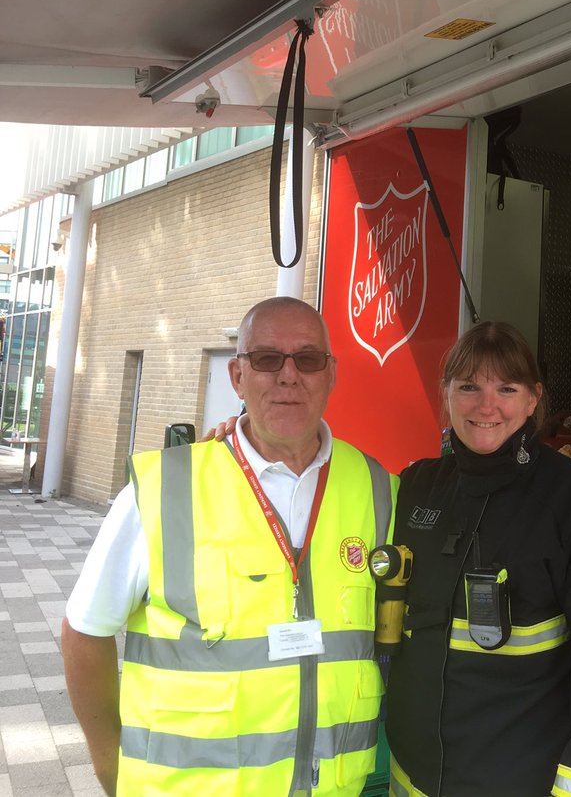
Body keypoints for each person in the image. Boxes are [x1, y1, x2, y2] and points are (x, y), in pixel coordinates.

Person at [61, 297, 397, 796]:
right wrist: (111, 767)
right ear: (238, 376)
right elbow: (84, 634)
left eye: (307, 359)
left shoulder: (381, 489)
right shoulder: (163, 489)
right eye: (266, 359)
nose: (288, 376)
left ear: (331, 374)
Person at [385, 320, 571, 797]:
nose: (485, 405)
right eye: (468, 386)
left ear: (533, 399)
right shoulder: (412, 488)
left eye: (505, 389)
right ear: (445, 394)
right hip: (412, 779)